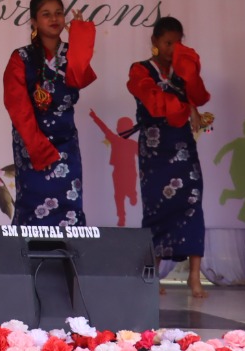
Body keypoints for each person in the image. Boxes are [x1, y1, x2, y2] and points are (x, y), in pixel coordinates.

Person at [123, 16, 210, 296]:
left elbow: (201, 95)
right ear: (155, 42)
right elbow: (154, 103)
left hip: (183, 146)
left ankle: (194, 276)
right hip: (154, 148)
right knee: (156, 208)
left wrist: (191, 74)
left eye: (177, 43)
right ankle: (152, 273)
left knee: (192, 202)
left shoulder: (183, 69)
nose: (172, 49)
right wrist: (186, 107)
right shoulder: (140, 70)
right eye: (167, 42)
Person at [2, 0, 96, 227]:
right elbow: (17, 106)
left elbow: (79, 77)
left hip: (66, 145)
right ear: (34, 21)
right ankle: (29, 252)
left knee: (69, 206)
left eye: (59, 13)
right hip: (33, 144)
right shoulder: (21, 57)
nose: (54, 18)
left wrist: (80, 39)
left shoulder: (71, 53)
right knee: (33, 207)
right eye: (46, 14)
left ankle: (68, 251)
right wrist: (37, 147)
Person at [86, 110, 138, 227]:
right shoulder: (115, 140)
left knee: (128, 189)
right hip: (118, 171)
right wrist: (95, 117)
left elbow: (142, 155)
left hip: (130, 171)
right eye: (121, 127)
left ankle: (132, 194)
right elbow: (104, 128)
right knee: (118, 195)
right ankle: (121, 217)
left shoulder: (133, 144)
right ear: (117, 129)